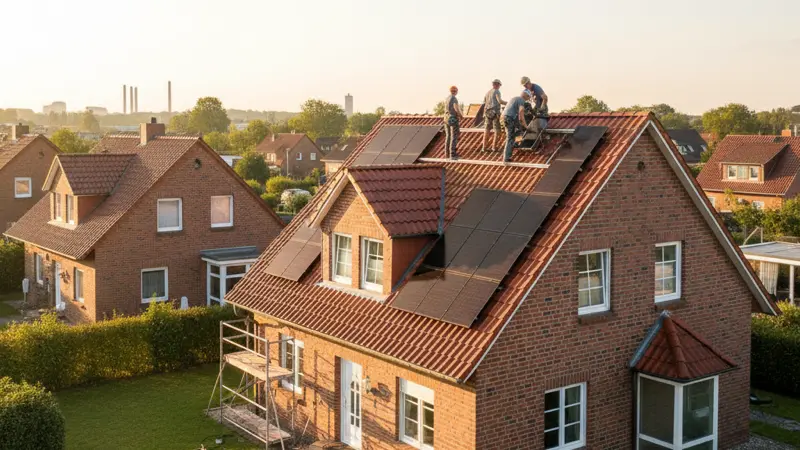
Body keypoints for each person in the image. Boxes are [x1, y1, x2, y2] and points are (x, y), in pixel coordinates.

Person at [502, 90, 531, 163]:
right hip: (510, 118)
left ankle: (516, 144)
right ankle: (506, 158)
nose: (528, 99)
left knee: (518, 131)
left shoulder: (514, 98)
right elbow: (521, 112)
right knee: (510, 137)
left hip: (505, 118)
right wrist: (526, 126)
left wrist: (520, 123)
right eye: (528, 97)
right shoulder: (521, 100)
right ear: (525, 95)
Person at [482, 79, 507, 152]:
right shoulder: (497, 91)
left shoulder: (488, 93)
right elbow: (500, 101)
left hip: (487, 112)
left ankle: (484, 147)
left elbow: (485, 104)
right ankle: (494, 147)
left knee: (486, 130)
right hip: (495, 113)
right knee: (497, 130)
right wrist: (508, 103)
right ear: (497, 84)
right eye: (499, 85)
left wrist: (484, 113)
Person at [443, 86, 463, 160]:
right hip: (452, 119)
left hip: (446, 118)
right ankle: (453, 154)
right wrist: (460, 116)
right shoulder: (454, 98)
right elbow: (456, 108)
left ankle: (447, 154)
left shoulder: (447, 98)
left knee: (448, 136)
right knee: (454, 136)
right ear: (456, 91)